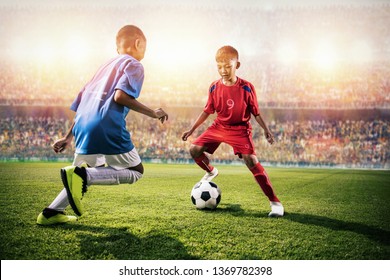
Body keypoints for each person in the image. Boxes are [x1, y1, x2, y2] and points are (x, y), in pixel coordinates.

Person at [37, 25, 168, 225]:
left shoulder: (103, 67)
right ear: (138, 43)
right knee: (135, 171)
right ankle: (82, 175)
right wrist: (153, 113)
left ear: (117, 48)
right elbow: (120, 96)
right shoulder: (134, 65)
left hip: (83, 126)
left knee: (79, 179)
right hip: (106, 126)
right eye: (145, 47)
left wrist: (68, 137)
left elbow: (82, 103)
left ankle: (51, 212)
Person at [182, 46, 284, 217]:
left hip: (240, 129)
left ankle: (275, 203)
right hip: (219, 126)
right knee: (194, 150)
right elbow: (207, 111)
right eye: (219, 67)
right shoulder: (214, 87)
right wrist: (192, 129)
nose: (223, 70)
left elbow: (256, 113)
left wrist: (266, 130)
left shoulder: (247, 88)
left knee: (251, 161)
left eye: (227, 66)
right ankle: (211, 171)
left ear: (237, 65)